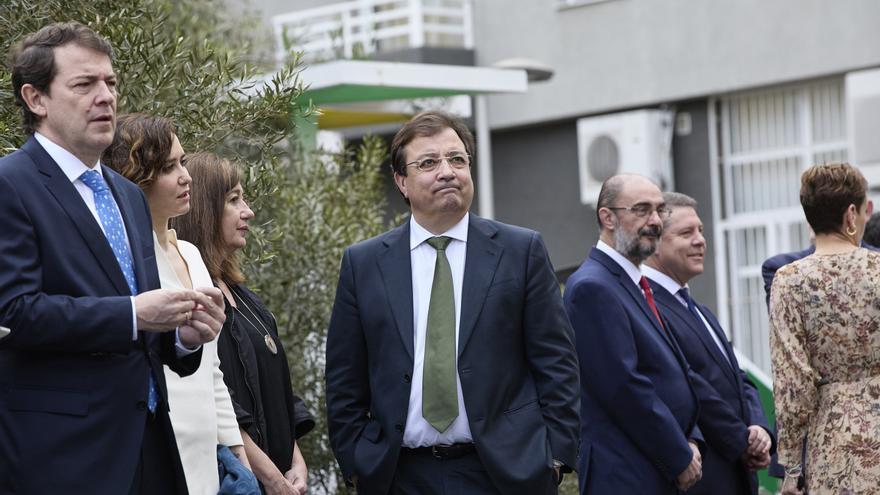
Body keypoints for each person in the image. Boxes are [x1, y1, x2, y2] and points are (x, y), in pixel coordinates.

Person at [0, 22, 224, 494]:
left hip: (151, 446)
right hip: (63, 457)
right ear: (35, 99)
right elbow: (13, 312)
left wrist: (183, 336)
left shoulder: (126, 194)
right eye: (84, 84)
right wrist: (132, 313)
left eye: (111, 83)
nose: (105, 96)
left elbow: (145, 336)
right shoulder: (10, 185)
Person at [325, 110, 580, 495]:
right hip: (398, 476)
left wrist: (555, 458)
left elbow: (557, 361)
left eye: (456, 159)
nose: (447, 171)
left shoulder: (519, 250)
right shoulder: (364, 263)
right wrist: (358, 462)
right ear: (401, 181)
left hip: (503, 474)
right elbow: (344, 377)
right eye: (428, 162)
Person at [104, 113, 253, 494]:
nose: (186, 176)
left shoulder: (190, 252)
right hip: (156, 447)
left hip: (206, 450)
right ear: (137, 176)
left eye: (182, 162)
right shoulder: (124, 258)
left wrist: (237, 452)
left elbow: (212, 368)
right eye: (169, 167)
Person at [174, 152, 314, 495]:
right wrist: (271, 479)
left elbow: (278, 392)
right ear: (205, 211)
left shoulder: (245, 297)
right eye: (234, 200)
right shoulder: (193, 298)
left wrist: (296, 463)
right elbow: (221, 407)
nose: (248, 211)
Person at [563, 174, 704, 494]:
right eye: (641, 210)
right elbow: (624, 387)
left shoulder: (633, 283)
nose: (654, 221)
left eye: (659, 210)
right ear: (607, 217)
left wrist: (692, 438)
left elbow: (673, 373)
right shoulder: (592, 287)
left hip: (653, 467)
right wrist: (678, 455)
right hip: (625, 474)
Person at [643, 192, 774, 494]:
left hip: (738, 472)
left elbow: (738, 377)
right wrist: (742, 442)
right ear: (655, 243)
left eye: (700, 230)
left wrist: (760, 428)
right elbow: (691, 386)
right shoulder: (649, 309)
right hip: (708, 475)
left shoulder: (698, 309)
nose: (700, 240)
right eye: (686, 233)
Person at [769, 162, 880, 494]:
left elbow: (792, 386)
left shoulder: (790, 281)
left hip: (834, 446)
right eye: (863, 213)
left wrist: (791, 467)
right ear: (850, 214)